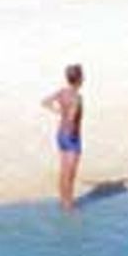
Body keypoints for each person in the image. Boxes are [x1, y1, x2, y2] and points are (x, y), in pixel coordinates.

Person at [41, 63, 84, 211]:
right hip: (72, 137)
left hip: (60, 135)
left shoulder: (62, 92)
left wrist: (59, 112)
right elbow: (72, 118)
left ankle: (63, 201)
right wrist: (72, 130)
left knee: (63, 171)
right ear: (79, 79)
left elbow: (45, 102)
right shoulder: (76, 98)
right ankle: (69, 206)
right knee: (70, 175)